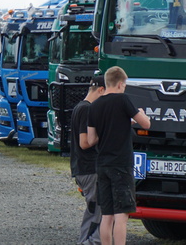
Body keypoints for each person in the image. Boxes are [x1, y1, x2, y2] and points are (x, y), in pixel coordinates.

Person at [87, 66, 151, 245]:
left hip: (102, 164)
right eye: (125, 85)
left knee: (106, 216)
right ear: (121, 84)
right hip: (121, 164)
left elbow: (91, 139)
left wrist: (108, 127)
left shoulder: (95, 105)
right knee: (121, 215)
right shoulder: (123, 100)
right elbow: (145, 124)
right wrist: (143, 115)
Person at [70, 76, 106, 245]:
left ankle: (83, 241)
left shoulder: (79, 107)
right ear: (101, 90)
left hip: (82, 168)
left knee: (92, 210)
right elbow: (84, 143)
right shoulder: (87, 110)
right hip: (90, 168)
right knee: (98, 212)